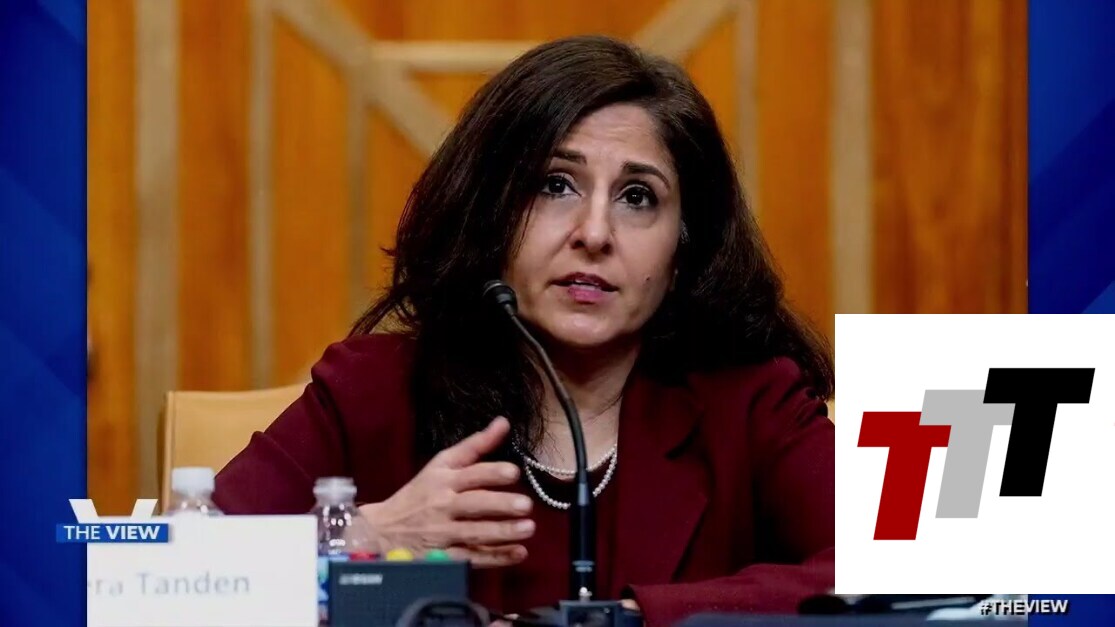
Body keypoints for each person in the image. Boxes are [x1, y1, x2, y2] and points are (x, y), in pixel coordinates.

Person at [214, 35, 835, 626]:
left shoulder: (751, 404)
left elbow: (891, 569)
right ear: (491, 213)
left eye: (637, 197)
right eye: (555, 185)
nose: (594, 233)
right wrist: (367, 535)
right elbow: (183, 570)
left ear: (683, 251)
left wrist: (629, 620)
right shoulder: (372, 391)